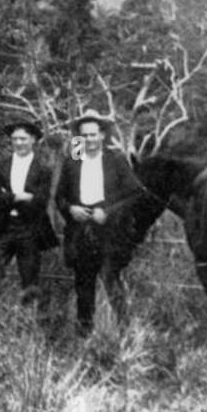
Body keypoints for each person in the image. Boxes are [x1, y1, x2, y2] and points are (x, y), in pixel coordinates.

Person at [54, 111, 148, 336]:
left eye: (94, 134)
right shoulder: (72, 161)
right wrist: (71, 209)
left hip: (110, 232)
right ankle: (84, 334)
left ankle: (126, 336)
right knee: (83, 285)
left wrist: (108, 212)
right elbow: (60, 197)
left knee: (111, 280)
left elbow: (136, 194)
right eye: (84, 135)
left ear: (103, 135)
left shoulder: (115, 160)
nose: (89, 140)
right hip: (81, 230)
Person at [0, 121, 57, 308]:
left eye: (23, 138)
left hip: (29, 228)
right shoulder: (0, 166)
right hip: (3, 226)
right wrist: (18, 196)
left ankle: (27, 321)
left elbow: (41, 201)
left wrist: (6, 196)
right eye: (15, 139)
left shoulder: (43, 168)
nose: (19, 143)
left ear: (33, 140)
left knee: (29, 277)